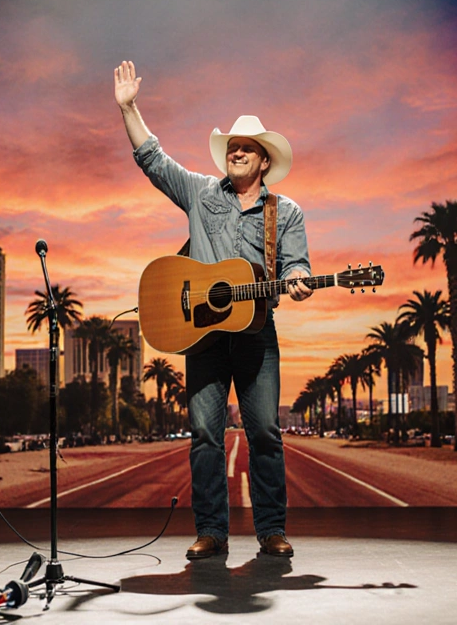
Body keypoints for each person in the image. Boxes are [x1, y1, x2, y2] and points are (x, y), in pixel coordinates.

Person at [114, 60, 312, 560]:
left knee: (264, 433)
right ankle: (211, 533)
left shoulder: (284, 213)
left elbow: (296, 266)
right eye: (232, 147)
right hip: (199, 333)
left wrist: (298, 281)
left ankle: (271, 531)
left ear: (264, 162)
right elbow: (152, 159)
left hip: (256, 336)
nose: (237, 152)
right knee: (205, 436)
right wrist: (129, 107)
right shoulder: (202, 194)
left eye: (247, 148)